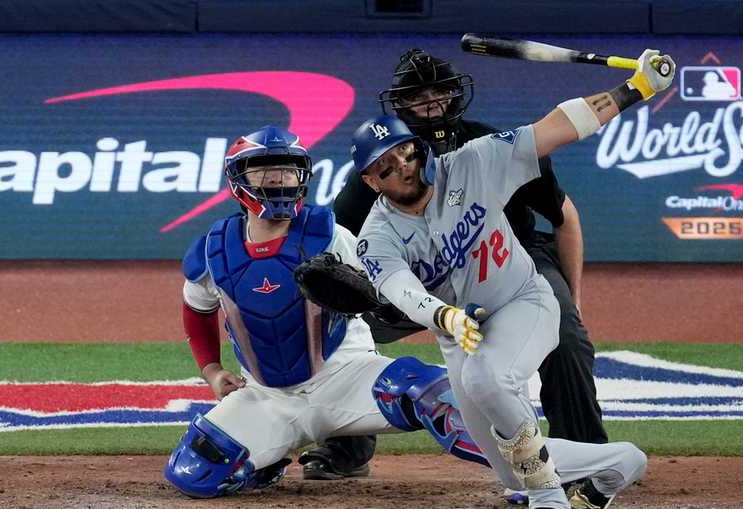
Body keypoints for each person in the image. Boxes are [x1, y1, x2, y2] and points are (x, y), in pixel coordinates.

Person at [351, 49, 675, 508]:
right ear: (371, 181)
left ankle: (550, 499)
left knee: (489, 381)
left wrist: (635, 89)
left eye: (403, 153)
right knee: (508, 466)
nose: (401, 166)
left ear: (416, 148)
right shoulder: (376, 235)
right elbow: (400, 290)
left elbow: (556, 126)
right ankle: (621, 464)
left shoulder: (474, 161)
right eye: (385, 166)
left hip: (523, 301)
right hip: (459, 336)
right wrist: (442, 315)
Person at [163, 126, 491, 498]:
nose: (279, 178)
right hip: (267, 397)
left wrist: (373, 300)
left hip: (346, 377)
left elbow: (387, 292)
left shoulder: (332, 235)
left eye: (289, 169)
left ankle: (533, 472)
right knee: (193, 473)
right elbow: (196, 310)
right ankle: (267, 458)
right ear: (239, 179)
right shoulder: (214, 250)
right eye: (265, 169)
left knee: (435, 395)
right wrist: (212, 371)